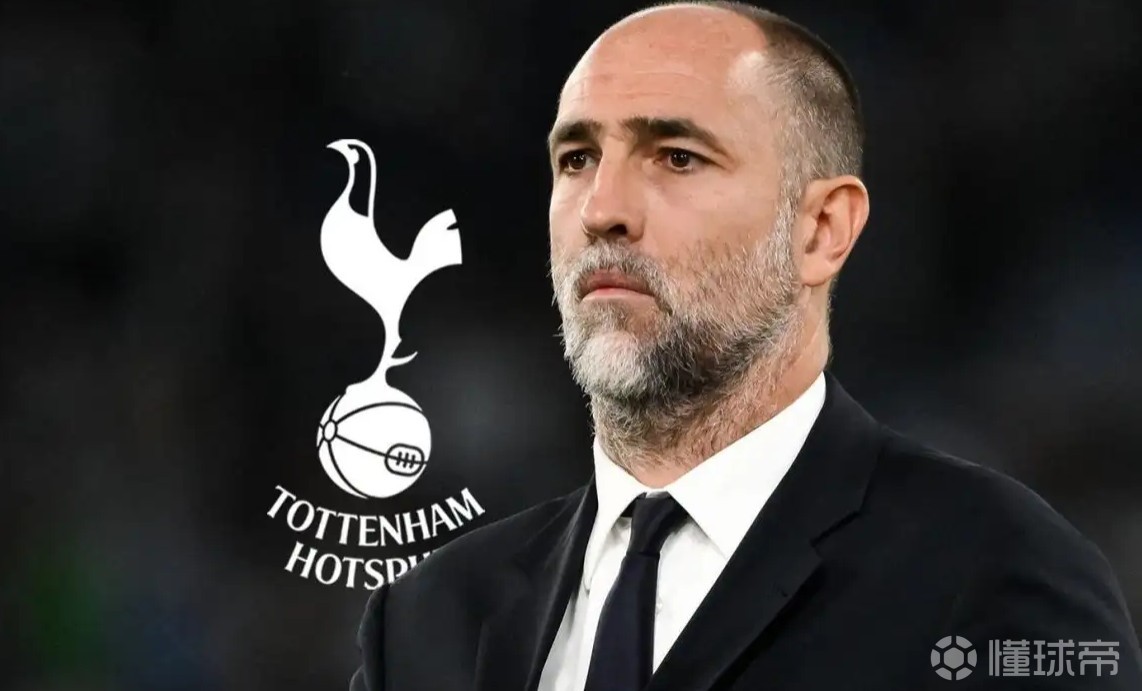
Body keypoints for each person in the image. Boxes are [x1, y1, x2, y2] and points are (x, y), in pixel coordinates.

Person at [349, 2, 1142, 689]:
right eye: (578, 158)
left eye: (678, 157)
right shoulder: (427, 618)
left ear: (821, 229)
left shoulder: (993, 571)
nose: (602, 208)